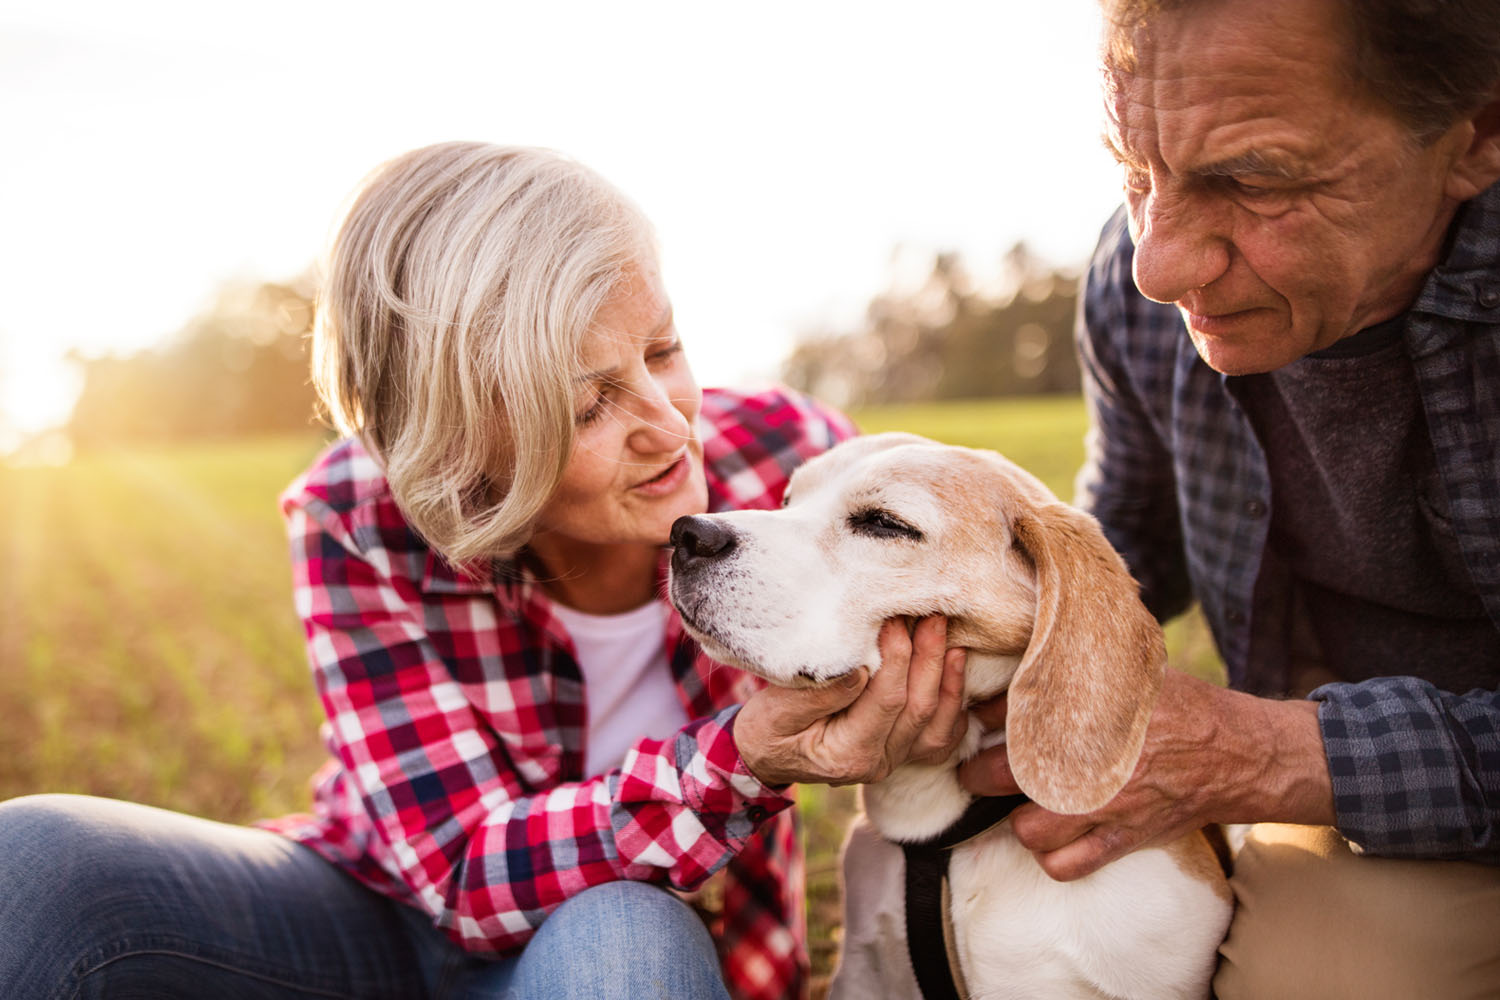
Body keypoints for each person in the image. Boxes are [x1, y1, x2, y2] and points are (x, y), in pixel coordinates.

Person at [0, 142, 973, 1000]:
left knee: (623, 924)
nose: (672, 424)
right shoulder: (358, 514)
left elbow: (981, 626)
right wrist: (743, 755)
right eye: (589, 407)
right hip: (372, 921)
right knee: (34, 865)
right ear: (462, 449)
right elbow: (463, 871)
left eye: (664, 350)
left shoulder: (792, 464)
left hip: (610, 959)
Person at [957, 0, 1500, 995]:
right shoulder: (1131, 286)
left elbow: (1270, 755)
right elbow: (1130, 547)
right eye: (1134, 171)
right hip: (1357, 808)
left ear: (1480, 136)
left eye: (1253, 181)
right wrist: (946, 627)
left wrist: (1267, 755)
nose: (1159, 265)